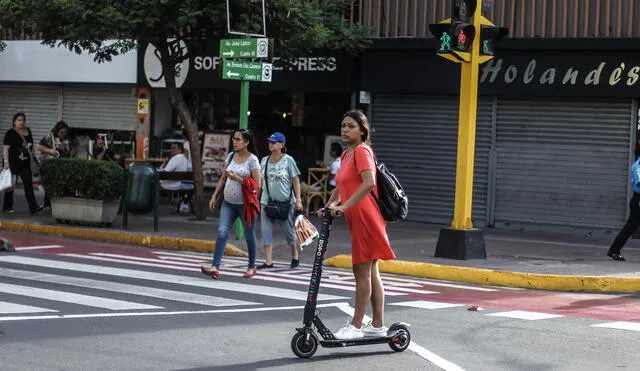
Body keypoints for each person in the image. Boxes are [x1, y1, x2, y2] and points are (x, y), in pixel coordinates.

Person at [317, 109, 395, 340]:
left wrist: (344, 206)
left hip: (367, 217)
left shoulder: (362, 151)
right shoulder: (346, 155)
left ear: (362, 130)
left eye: (351, 126)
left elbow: (369, 182)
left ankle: (356, 326)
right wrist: (330, 205)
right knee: (371, 272)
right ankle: (378, 324)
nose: (345, 129)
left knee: (361, 272)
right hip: (358, 217)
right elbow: (342, 186)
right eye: (343, 125)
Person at [202, 129, 261, 279]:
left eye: (238, 139)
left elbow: (257, 185)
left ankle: (252, 266)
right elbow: (222, 179)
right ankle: (215, 266)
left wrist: (238, 179)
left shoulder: (252, 160)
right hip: (228, 203)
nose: (234, 142)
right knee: (222, 233)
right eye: (234, 139)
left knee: (249, 236)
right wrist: (214, 196)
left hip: (245, 205)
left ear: (246, 142)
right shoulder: (230, 156)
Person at [256, 132, 304, 270]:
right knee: (265, 231)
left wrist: (298, 200)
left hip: (285, 203)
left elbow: (296, 182)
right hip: (267, 201)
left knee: (289, 232)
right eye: (270, 142)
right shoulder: (264, 160)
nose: (271, 144)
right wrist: (255, 197)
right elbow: (260, 181)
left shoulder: (289, 160)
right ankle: (268, 261)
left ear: (281, 145)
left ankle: (295, 254)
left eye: (274, 142)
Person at [2, 112, 43, 214]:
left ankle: (33, 207)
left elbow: (31, 147)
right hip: (13, 163)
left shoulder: (28, 131)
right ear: (14, 122)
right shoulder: (10, 133)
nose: (21, 122)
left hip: (25, 163)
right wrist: (6, 162)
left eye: (23, 120)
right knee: (11, 186)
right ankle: (7, 207)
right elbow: (6, 148)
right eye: (19, 120)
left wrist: (34, 158)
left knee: (28, 184)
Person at [607, 150, 640, 261]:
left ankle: (614, 250)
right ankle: (614, 250)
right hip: (638, 201)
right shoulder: (638, 166)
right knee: (629, 228)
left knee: (629, 228)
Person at [39, 121, 71, 209]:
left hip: (62, 164)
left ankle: (58, 202)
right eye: (61, 132)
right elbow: (40, 147)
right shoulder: (50, 136)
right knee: (50, 183)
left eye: (64, 132)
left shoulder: (66, 139)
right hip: (51, 164)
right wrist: (50, 151)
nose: (63, 134)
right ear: (57, 131)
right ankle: (47, 203)